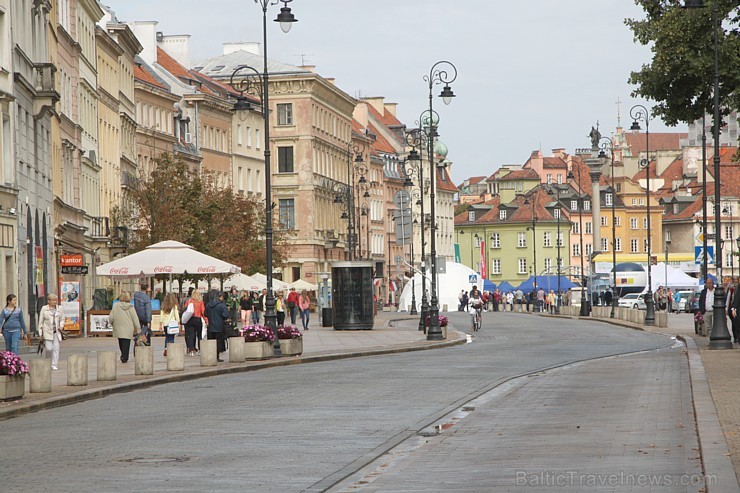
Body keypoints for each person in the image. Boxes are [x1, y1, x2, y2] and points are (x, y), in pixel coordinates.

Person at [108, 290, 140, 364]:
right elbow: (135, 319)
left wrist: (112, 323)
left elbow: (111, 317)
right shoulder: (131, 307)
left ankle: (123, 356)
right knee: (126, 343)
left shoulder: (116, 306)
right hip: (128, 328)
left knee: (121, 342)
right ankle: (124, 357)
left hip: (118, 327)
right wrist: (138, 329)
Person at [38, 293, 63, 370]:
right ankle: (48, 362)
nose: (54, 302)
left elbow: (62, 319)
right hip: (47, 332)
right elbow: (40, 322)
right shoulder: (44, 309)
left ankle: (54, 364)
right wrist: (40, 333)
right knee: (49, 348)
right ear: (48, 301)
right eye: (53, 300)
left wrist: (61, 326)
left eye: (55, 300)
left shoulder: (59, 308)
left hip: (56, 332)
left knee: (56, 349)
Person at [204, 290, 230, 361]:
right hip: (219, 326)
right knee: (219, 341)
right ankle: (217, 356)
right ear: (221, 297)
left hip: (210, 326)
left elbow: (205, 314)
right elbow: (226, 315)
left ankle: (211, 356)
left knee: (211, 341)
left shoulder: (208, 305)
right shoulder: (222, 305)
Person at [182, 289, 206, 356]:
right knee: (199, 336)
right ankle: (200, 350)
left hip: (190, 319)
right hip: (198, 319)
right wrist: (206, 320)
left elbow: (185, 309)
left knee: (191, 336)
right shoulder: (200, 302)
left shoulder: (189, 301)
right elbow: (203, 312)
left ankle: (191, 350)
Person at [133, 283, 152, 347]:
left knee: (139, 329)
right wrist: (149, 320)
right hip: (144, 317)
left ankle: (136, 347)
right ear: (147, 289)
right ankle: (142, 340)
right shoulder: (146, 298)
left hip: (137, 316)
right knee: (146, 329)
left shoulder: (136, 295)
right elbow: (148, 310)